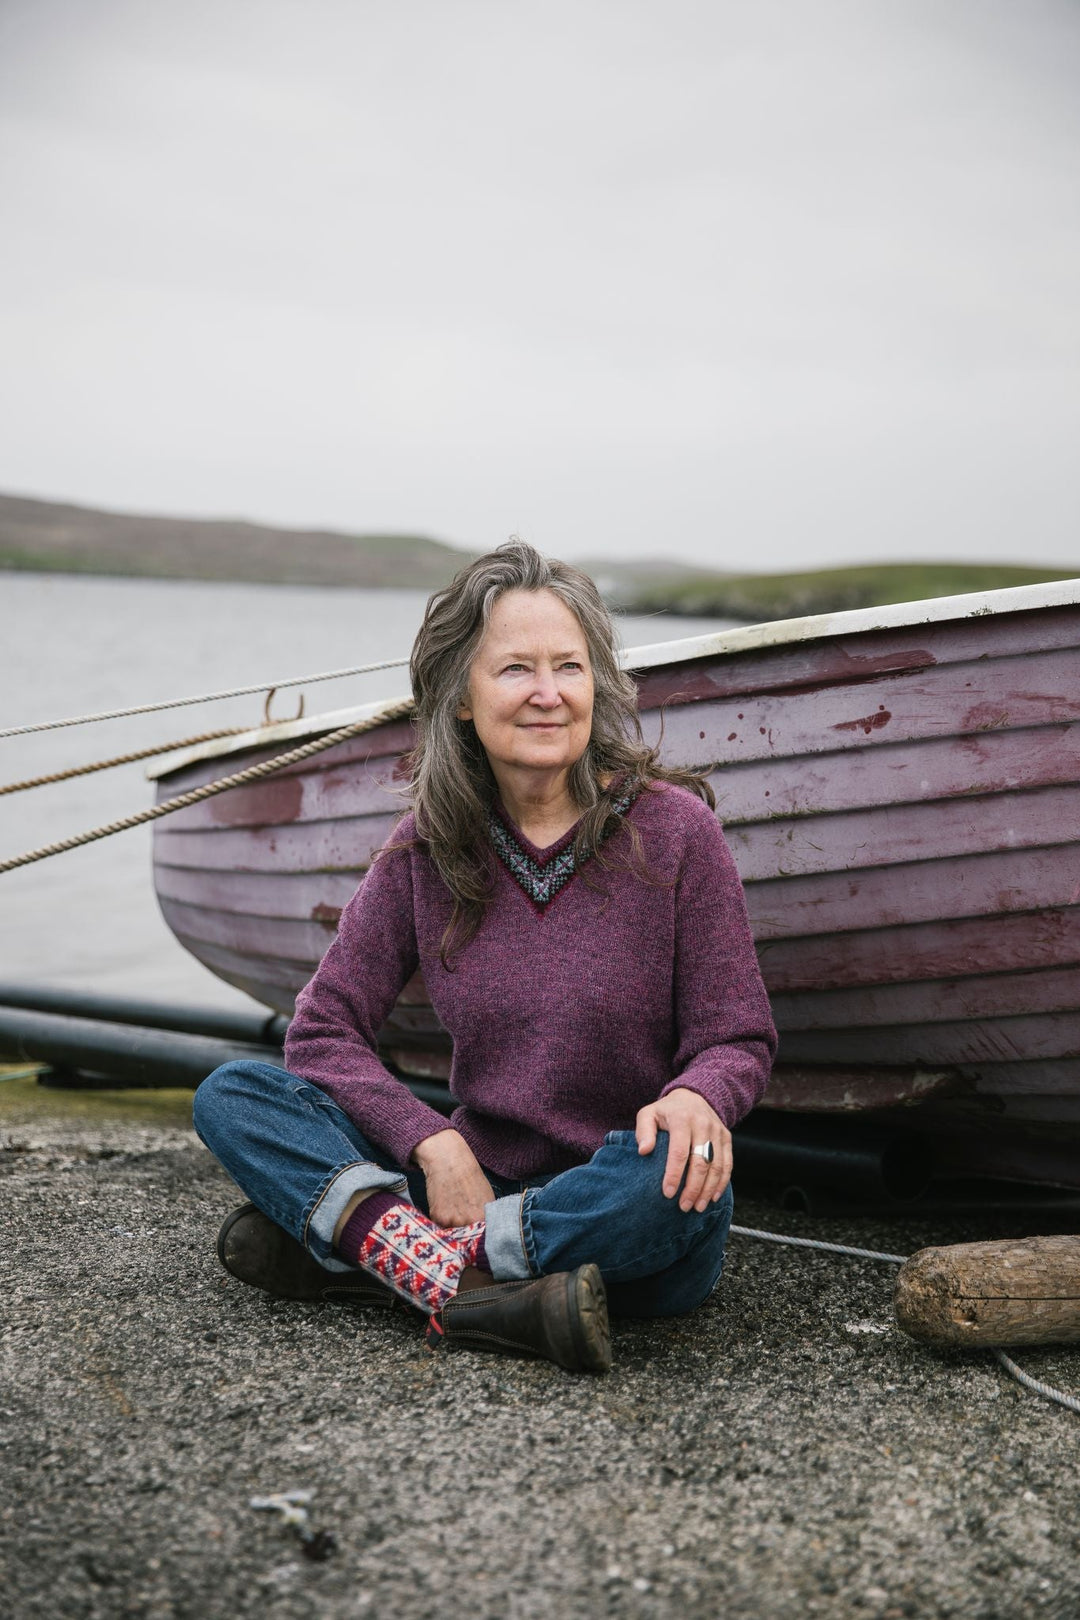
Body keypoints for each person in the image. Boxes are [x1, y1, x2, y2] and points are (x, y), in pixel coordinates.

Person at [193, 541, 776, 1374]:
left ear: (595, 686)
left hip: (613, 1201)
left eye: (568, 667)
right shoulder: (427, 848)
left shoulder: (678, 833)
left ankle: (394, 1263)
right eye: (515, 670)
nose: (548, 694)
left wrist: (697, 1098)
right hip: (468, 1185)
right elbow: (322, 1032)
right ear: (461, 698)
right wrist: (433, 1142)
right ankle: (490, 1294)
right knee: (235, 1094)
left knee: (676, 1185)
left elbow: (738, 1038)